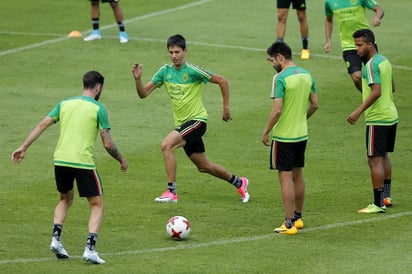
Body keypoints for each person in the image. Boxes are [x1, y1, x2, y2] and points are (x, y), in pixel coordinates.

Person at [11, 71, 128, 264]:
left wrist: (23, 147)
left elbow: (42, 125)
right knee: (97, 204)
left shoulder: (64, 104)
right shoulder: (99, 108)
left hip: (60, 160)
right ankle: (90, 249)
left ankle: (56, 240)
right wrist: (121, 159)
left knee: (65, 198)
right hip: (82, 162)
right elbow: (107, 143)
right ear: (98, 87)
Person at [132, 34, 249, 204]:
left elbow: (223, 81)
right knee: (204, 166)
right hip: (183, 125)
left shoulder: (193, 71)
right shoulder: (164, 72)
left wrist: (226, 108)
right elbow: (143, 94)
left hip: (197, 122)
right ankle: (239, 182)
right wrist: (138, 80)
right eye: (171, 52)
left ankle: (171, 191)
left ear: (185, 51)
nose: (174, 56)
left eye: (177, 52)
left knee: (166, 145)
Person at [262, 42, 318, 235]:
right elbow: (315, 104)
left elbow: (277, 110)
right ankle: (298, 218)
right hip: (301, 134)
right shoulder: (307, 74)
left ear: (280, 57)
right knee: (298, 175)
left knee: (285, 178)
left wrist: (266, 130)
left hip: (284, 136)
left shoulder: (280, 78)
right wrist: (302, 118)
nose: (271, 65)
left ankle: (288, 224)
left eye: (271, 60)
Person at [347, 29, 398, 213]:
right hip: (391, 115)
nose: (357, 49)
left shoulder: (370, 65)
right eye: (355, 45)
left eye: (360, 45)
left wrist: (358, 111)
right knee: (383, 156)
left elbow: (376, 91)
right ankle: (386, 196)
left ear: (370, 44)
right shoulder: (384, 61)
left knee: (374, 160)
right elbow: (391, 87)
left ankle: (377, 204)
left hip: (378, 119)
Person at [324, 0, 384, 91]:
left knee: (374, 74)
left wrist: (377, 17)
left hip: (366, 42)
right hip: (348, 45)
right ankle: (368, 97)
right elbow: (328, 20)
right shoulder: (329, 2)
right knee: (356, 77)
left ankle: (378, 97)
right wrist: (328, 40)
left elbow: (379, 9)